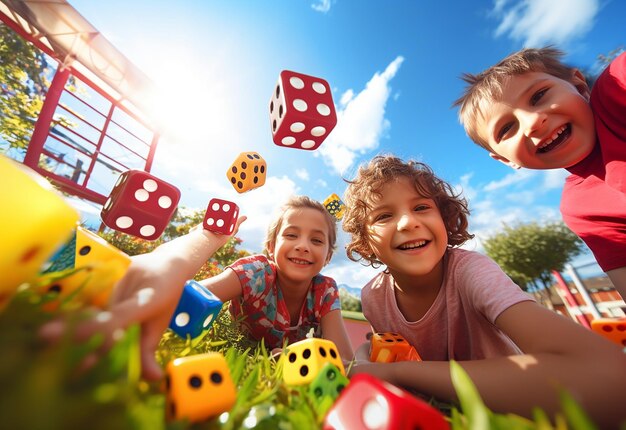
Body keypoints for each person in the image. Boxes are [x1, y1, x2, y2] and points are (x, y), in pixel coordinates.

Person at [342, 155, 626, 428]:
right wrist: (366, 357)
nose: (408, 222)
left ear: (445, 218)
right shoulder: (373, 296)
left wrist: (397, 373)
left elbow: (608, 376)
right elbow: (385, 347)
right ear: (366, 243)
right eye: (384, 216)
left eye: (421, 208)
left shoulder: (470, 271)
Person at [41, 195, 353, 380]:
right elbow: (186, 294)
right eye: (291, 235)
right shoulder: (256, 272)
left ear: (327, 256)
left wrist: (289, 356)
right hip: (239, 344)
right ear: (271, 246)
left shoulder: (325, 290)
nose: (302, 246)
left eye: (316, 240)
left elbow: (344, 360)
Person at [453, 46, 626, 301]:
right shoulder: (581, 210)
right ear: (504, 160)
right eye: (507, 128)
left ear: (579, 86)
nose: (532, 122)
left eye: (539, 96)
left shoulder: (616, 88)